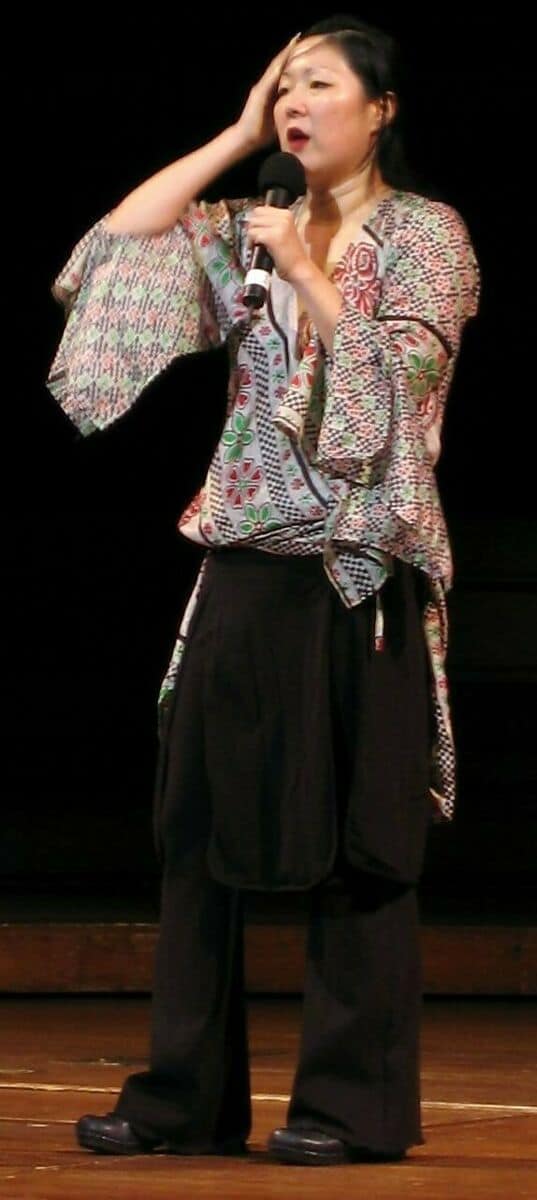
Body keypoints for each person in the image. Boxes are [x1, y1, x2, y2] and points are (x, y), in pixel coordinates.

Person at [46, 15, 480, 1167]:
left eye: (318, 86)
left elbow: (402, 384)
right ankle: (181, 1099)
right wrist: (237, 137)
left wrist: (305, 271)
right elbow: (104, 258)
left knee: (362, 841)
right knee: (196, 833)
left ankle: (349, 1107)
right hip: (244, 551)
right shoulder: (251, 221)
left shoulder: (426, 234)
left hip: (358, 560)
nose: (296, 104)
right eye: (283, 88)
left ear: (381, 110)